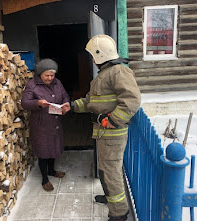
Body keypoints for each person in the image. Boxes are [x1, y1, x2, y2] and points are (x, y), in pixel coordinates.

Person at [63, 34, 141, 221]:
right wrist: (72, 106)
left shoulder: (118, 72)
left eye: (92, 55)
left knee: (111, 172)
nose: (92, 59)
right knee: (105, 169)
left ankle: (119, 213)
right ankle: (110, 198)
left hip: (112, 132)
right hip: (103, 131)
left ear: (100, 54)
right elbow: (91, 101)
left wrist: (113, 121)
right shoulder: (104, 74)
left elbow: (132, 100)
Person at [21, 58, 71, 191]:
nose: (50, 78)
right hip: (41, 124)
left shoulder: (57, 83)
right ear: (40, 74)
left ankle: (52, 171)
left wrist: (66, 104)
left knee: (53, 148)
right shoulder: (32, 85)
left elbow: (65, 95)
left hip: (55, 121)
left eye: (52, 75)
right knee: (43, 151)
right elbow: (24, 103)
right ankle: (44, 179)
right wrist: (37, 103)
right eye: (47, 75)